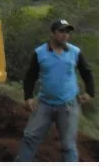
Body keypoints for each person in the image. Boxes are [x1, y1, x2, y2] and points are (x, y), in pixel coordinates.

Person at [15, 19, 95, 162]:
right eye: (61, 31)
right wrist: (28, 97)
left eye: (67, 32)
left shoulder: (75, 52)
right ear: (52, 33)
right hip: (44, 103)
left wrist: (90, 92)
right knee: (30, 138)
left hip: (68, 104)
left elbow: (86, 72)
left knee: (68, 145)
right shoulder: (39, 53)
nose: (65, 35)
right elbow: (30, 76)